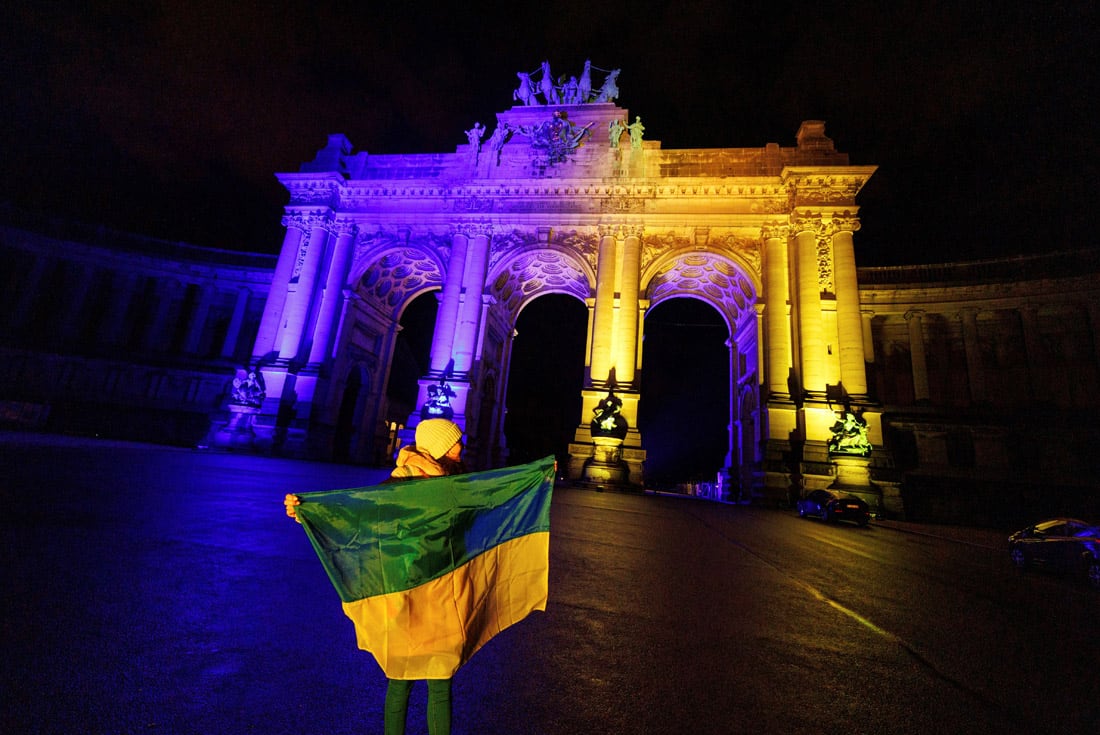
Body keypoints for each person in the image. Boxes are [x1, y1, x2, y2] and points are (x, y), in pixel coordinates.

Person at [284, 418, 466, 735]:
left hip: (440, 591)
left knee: (437, 681)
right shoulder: (399, 486)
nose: (462, 446)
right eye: (456, 441)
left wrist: (537, 478)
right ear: (440, 448)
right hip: (405, 590)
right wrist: (308, 512)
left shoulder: (457, 482)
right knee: (404, 680)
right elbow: (355, 514)